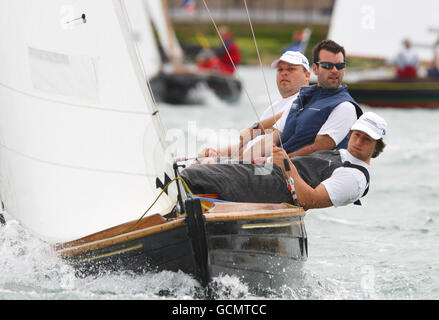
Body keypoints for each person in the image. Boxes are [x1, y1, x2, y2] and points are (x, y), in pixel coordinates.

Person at [180, 112, 387, 211]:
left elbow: (309, 200)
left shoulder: (355, 178)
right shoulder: (341, 154)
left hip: (273, 190)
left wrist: (286, 165)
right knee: (199, 166)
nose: (358, 141)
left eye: (366, 139)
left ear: (377, 146)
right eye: (356, 134)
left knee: (194, 175)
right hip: (266, 176)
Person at [242, 39, 362, 161]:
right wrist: (242, 160)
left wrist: (273, 162)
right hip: (277, 167)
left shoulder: (345, 107)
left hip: (304, 174)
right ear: (315, 69)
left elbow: (319, 148)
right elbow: (274, 136)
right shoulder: (301, 99)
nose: (335, 70)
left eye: (340, 66)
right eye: (328, 66)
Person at [198, 51, 311, 159]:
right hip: (250, 162)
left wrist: (253, 129)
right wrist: (216, 152)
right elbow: (248, 145)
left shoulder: (307, 99)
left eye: (291, 69)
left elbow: (288, 119)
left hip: (267, 167)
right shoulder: (273, 107)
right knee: (202, 159)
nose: (284, 73)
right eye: (280, 69)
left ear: (307, 75)